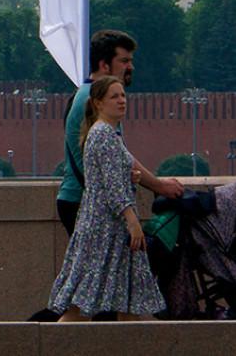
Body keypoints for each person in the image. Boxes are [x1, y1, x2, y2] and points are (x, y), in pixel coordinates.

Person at [48, 76, 165, 321]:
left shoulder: (102, 133)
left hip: (102, 227)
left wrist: (129, 176)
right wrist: (132, 221)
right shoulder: (104, 135)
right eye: (114, 96)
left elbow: (106, 177)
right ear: (98, 103)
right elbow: (112, 188)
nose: (122, 101)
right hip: (107, 229)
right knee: (82, 306)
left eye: (123, 95)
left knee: (126, 301)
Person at [55, 30, 183, 236]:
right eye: (124, 61)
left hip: (82, 200)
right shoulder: (93, 101)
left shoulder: (89, 95)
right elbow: (116, 155)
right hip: (86, 203)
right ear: (104, 65)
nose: (130, 67)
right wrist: (159, 186)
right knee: (96, 268)